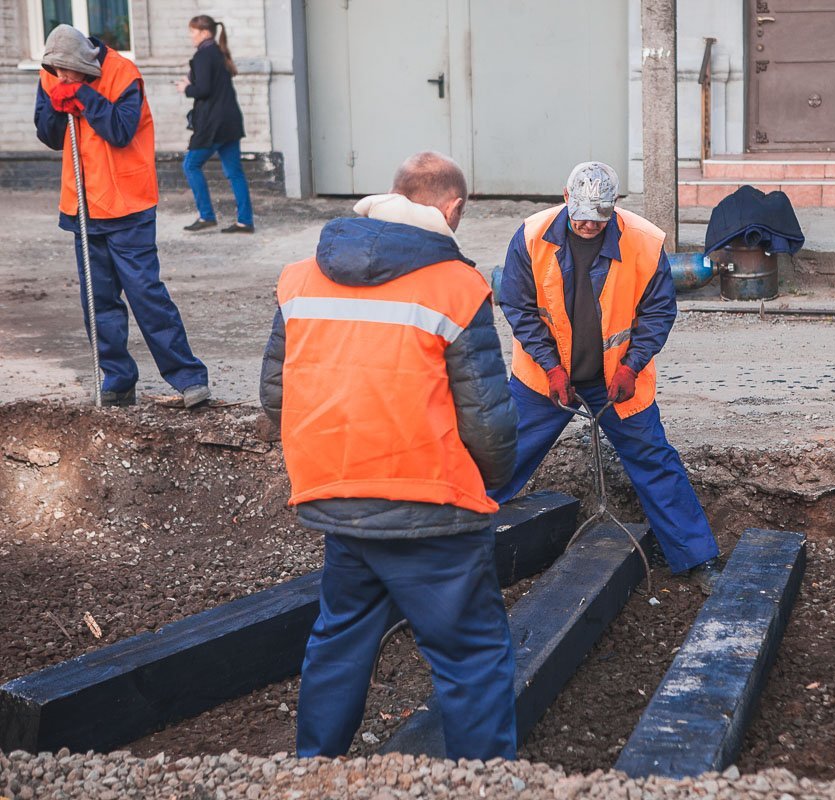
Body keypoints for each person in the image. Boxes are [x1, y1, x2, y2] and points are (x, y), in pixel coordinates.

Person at [259, 151, 519, 760]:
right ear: (453, 209)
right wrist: (492, 482)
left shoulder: (299, 279)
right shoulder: (457, 287)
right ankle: (482, 780)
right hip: (432, 508)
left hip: (339, 498)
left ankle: (314, 770)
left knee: (339, 641)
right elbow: (487, 420)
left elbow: (276, 396)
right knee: (470, 655)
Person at [493, 161, 721, 591]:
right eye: (580, 215)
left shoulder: (643, 242)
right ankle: (453, 540)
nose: (587, 225)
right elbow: (518, 307)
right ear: (566, 197)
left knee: (653, 459)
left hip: (616, 379)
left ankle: (697, 557)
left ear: (614, 205)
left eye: (598, 218)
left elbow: (658, 313)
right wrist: (551, 367)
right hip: (545, 378)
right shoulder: (531, 236)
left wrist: (632, 366)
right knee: (504, 454)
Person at [34, 24, 210, 408]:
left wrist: (83, 96)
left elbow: (120, 130)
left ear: (85, 62)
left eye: (67, 71)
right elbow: (49, 136)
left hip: (128, 205)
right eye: (55, 70)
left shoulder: (123, 75)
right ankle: (118, 380)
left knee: (146, 294)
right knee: (98, 301)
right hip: (83, 207)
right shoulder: (52, 76)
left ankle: (189, 377)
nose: (60, 77)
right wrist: (58, 104)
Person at [176, 15, 254, 233]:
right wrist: (192, 82)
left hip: (213, 124)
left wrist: (185, 88)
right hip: (230, 121)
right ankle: (245, 221)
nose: (191, 36)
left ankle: (206, 216)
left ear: (204, 33)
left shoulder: (203, 55)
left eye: (193, 32)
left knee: (190, 165)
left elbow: (204, 90)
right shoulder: (219, 52)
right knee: (235, 172)